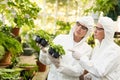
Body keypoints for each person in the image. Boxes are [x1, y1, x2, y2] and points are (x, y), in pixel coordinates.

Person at [39, 16, 94, 80]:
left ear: (88, 32)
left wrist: (59, 65)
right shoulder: (60, 38)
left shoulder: (87, 49)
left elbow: (79, 71)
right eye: (78, 24)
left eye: (83, 28)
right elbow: (46, 62)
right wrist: (43, 52)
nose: (79, 29)